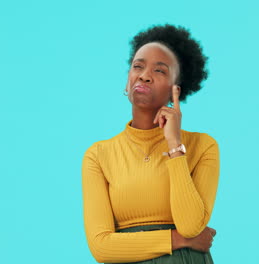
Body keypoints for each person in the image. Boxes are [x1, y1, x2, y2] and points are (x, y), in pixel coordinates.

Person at [81, 24, 220, 264]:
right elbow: (101, 247)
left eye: (160, 70)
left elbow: (189, 225)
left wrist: (174, 144)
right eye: (138, 66)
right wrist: (178, 240)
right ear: (128, 81)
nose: (144, 75)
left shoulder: (202, 146)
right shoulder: (98, 155)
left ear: (176, 90)